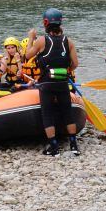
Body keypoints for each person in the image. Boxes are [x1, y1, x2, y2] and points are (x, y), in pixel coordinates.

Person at [24, 9, 80, 156]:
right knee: (67, 113)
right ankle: (74, 146)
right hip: (62, 82)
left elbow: (27, 55)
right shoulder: (68, 41)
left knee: (47, 114)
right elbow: (75, 63)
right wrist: (66, 70)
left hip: (46, 83)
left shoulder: (42, 40)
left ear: (45, 23)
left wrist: (31, 38)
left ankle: (54, 147)